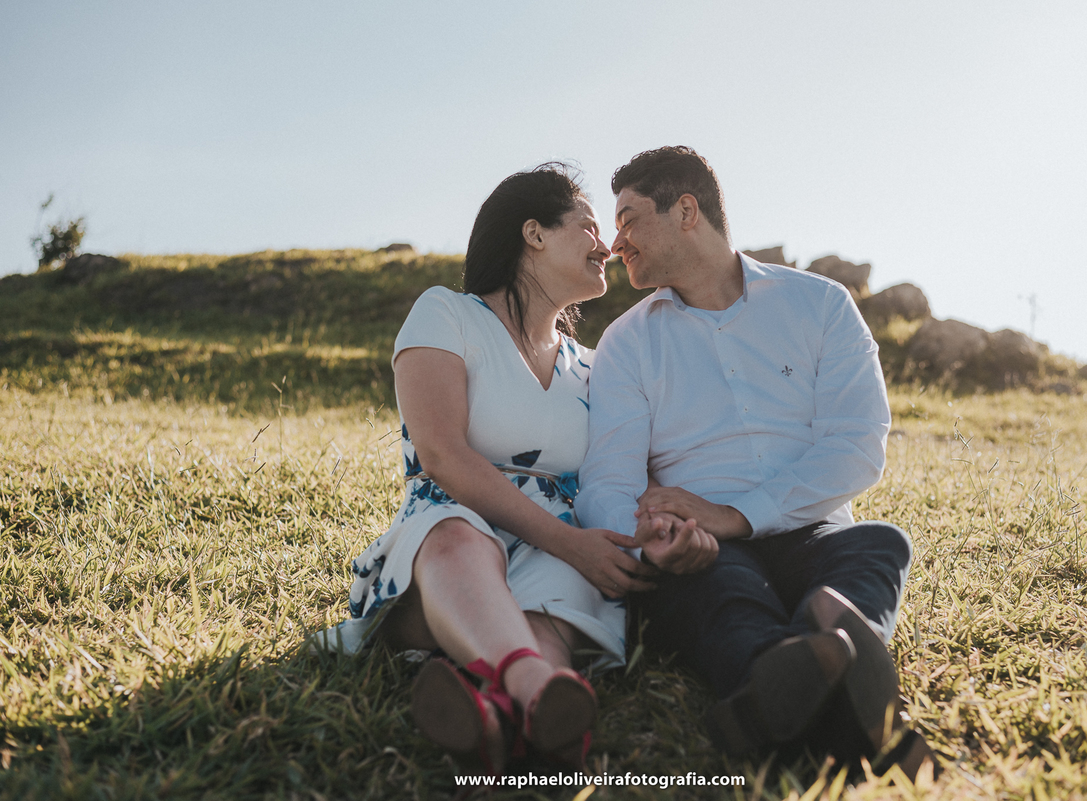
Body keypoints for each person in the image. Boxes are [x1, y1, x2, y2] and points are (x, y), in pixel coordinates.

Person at [575, 146, 936, 778]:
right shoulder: (627, 343)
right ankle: (841, 686)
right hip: (704, 551)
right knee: (722, 590)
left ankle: (769, 704)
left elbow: (855, 444)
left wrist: (734, 515)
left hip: (811, 527)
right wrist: (654, 540)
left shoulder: (821, 305)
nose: (614, 242)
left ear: (686, 210)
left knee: (879, 543)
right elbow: (609, 479)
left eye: (629, 219)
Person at [315, 164, 659, 775]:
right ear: (534, 233)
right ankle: (535, 691)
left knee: (550, 609)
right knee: (455, 535)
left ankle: (502, 720)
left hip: (562, 546)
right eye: (586, 226)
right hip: (455, 527)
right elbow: (443, 454)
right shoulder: (446, 314)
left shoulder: (598, 365)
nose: (605, 245)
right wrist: (570, 543)